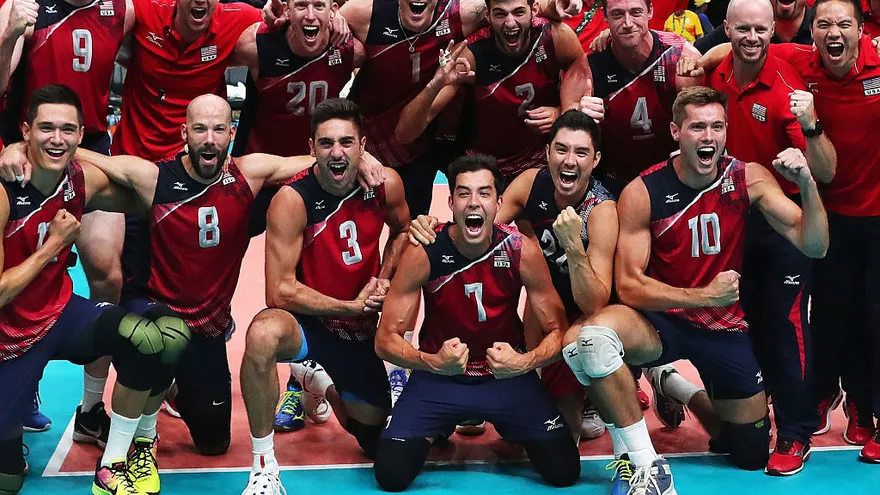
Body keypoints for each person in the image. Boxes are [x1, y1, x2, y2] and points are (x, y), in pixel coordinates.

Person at [561, 87, 828, 491]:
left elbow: (816, 245)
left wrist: (806, 182)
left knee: (748, 453)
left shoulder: (747, 177)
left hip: (725, 329)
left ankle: (673, 384)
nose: (709, 137)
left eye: (717, 127)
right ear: (675, 131)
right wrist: (703, 296)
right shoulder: (643, 191)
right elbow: (629, 285)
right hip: (663, 322)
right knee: (591, 340)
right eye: (697, 127)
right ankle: (644, 463)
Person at [0, 84, 190, 495]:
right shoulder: (2, 191)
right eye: (46, 128)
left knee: (155, 338)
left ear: (82, 134)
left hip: (60, 314)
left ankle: (117, 461)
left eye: (68, 130)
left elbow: (153, 193)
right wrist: (53, 245)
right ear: (25, 131)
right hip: (6, 338)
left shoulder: (79, 180)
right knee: (8, 481)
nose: (57, 138)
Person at [407, 110, 632, 443]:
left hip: (587, 318)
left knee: (563, 437)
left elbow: (593, 302)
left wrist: (572, 244)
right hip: (544, 303)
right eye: (561, 149)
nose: (569, 161)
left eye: (581, 152)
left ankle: (597, 393)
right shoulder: (531, 182)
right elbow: (476, 223)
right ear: (547, 152)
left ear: (595, 159)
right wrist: (432, 228)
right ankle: (476, 399)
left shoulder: (602, 212)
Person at [373, 154, 580, 491]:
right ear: (451, 201)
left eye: (484, 193)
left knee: (564, 471)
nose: (474, 202)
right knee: (391, 475)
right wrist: (431, 361)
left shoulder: (520, 251)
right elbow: (385, 340)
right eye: (464, 193)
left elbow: (558, 331)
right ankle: (436, 426)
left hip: (505, 376)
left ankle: (511, 426)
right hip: (440, 378)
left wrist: (524, 362)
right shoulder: (423, 253)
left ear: (498, 203)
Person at [693, 0, 837, 475]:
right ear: (726, 30)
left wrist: (808, 139)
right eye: (742, 29)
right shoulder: (714, 76)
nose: (752, 37)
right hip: (728, 224)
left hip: (780, 224)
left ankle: (795, 431)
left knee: (783, 327)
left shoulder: (785, 85)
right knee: (734, 325)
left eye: (760, 29)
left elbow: (824, 170)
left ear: (773, 29)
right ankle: (746, 420)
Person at [238, 98, 410, 495]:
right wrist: (348, 306)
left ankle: (318, 383)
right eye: (327, 143)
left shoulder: (387, 184)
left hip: (359, 330)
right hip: (308, 323)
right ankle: (264, 468)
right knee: (262, 334)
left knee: (370, 437)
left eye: (347, 143)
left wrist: (383, 279)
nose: (337, 152)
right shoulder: (292, 200)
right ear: (311, 147)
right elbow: (278, 290)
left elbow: (403, 231)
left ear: (363, 145)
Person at [0, 0, 136, 434]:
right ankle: (23, 371)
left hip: (85, 145)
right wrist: (7, 38)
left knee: (106, 270)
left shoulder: (124, 9)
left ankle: (91, 407)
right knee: (23, 269)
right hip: (31, 149)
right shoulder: (23, 8)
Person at [231, 0, 366, 431]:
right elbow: (205, 60)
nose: (311, 15)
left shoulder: (350, 50)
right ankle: (206, 336)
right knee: (219, 258)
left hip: (318, 177)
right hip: (257, 177)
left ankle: (299, 378)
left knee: (311, 275)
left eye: (321, 5)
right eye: (301, 4)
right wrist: (264, 16)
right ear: (287, 9)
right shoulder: (257, 47)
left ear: (333, 11)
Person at [765, 0, 880, 462]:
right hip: (826, 217)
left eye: (844, 24)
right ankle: (837, 396)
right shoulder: (798, 61)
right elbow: (732, 49)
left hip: (877, 215)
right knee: (829, 315)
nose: (834, 32)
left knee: (874, 315)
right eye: (825, 24)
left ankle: (867, 406)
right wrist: (694, 55)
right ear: (814, 32)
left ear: (860, 30)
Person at [394, 0, 587, 181]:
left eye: (519, 12)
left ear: (534, 10)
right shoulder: (469, 55)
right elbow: (404, 134)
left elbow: (582, 79)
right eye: (500, 14)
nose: (510, 23)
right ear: (487, 15)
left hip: (537, 159)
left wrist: (563, 112)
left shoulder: (556, 37)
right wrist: (434, 85)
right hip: (481, 165)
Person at [575, 0, 702, 196]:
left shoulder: (680, 57)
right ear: (604, 16)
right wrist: (579, 115)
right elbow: (568, 126)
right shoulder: (590, 63)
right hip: (611, 183)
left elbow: (704, 124)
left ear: (650, 11)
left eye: (635, 12)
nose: (627, 23)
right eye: (617, 14)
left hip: (673, 178)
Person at [694, 0, 815, 52]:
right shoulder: (746, 23)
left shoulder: (822, 27)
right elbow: (696, 52)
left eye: (760, 30)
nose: (752, 37)